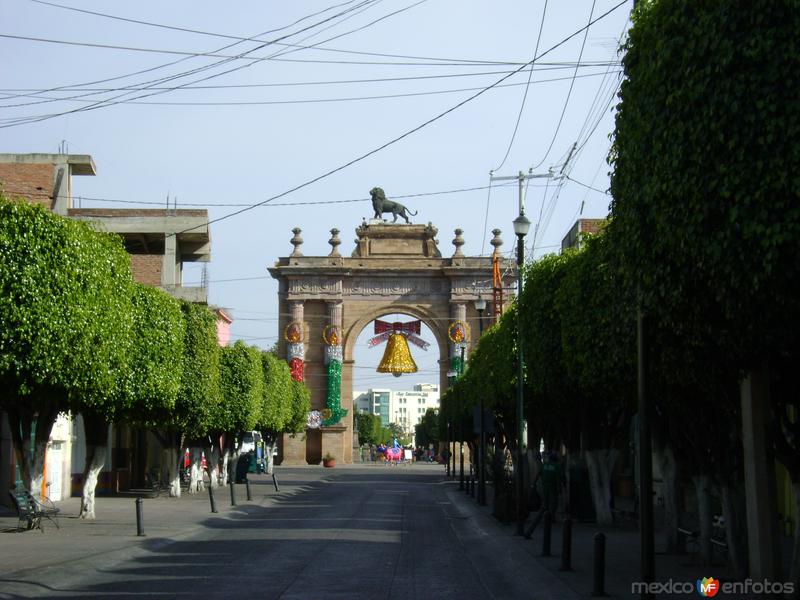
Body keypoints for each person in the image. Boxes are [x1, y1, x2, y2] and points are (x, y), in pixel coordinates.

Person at [535, 452, 564, 517]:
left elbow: (538, 473)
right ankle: (552, 516)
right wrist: (559, 487)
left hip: (544, 485)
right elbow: (558, 478)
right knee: (553, 502)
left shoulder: (544, 465)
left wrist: (534, 483)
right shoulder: (557, 466)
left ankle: (546, 515)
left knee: (546, 501)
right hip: (553, 486)